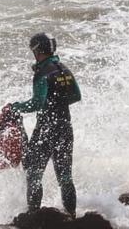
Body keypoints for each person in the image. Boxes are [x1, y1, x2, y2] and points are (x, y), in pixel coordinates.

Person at [8, 32, 81, 216]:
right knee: (65, 177)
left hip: (46, 130)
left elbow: (36, 103)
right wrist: (58, 102)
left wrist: (15, 107)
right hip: (65, 127)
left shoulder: (42, 73)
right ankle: (72, 215)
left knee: (33, 175)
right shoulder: (64, 69)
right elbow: (76, 96)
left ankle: (33, 216)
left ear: (37, 51)